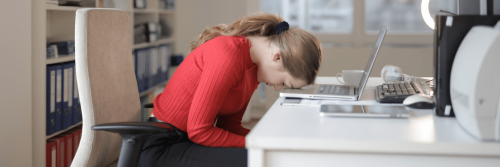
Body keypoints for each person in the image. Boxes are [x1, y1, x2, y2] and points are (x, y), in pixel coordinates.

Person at [138, 12, 322, 167]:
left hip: (187, 141)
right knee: (265, 161)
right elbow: (199, 131)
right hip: (164, 146)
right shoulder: (228, 55)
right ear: (277, 57)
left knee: (270, 156)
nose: (277, 87)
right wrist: (258, 143)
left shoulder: (253, 68)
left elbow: (229, 126)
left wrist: (269, 140)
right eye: (284, 82)